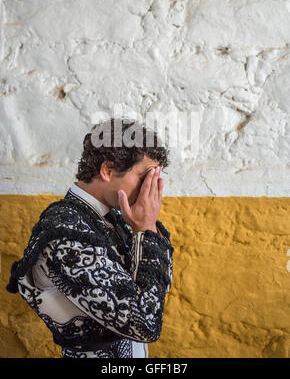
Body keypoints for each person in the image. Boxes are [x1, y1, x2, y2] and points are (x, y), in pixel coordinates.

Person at [6, 118, 174, 358]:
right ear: (107, 170)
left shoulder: (114, 219)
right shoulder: (65, 229)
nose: (152, 185)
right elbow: (145, 323)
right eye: (145, 175)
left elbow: (159, 290)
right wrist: (146, 229)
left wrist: (144, 228)